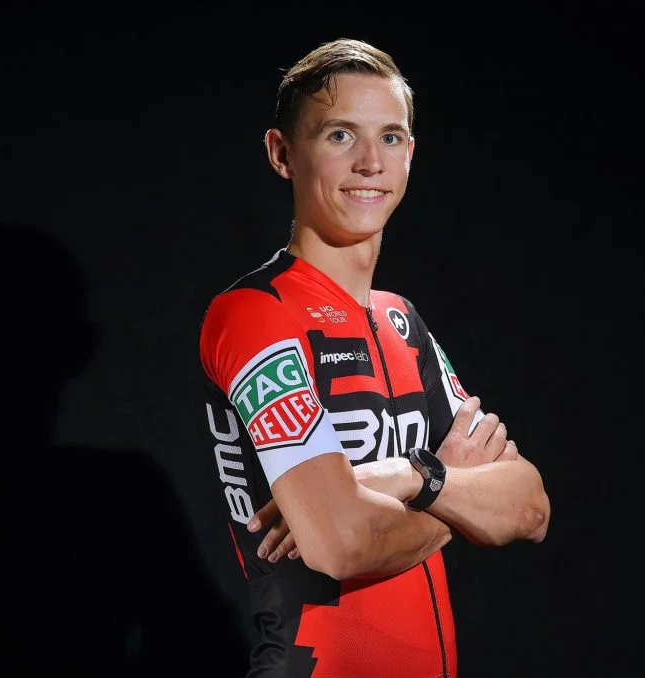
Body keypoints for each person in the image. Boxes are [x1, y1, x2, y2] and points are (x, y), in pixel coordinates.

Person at [195, 37, 550, 677]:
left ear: (410, 154)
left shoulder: (401, 320)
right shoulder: (254, 313)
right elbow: (342, 543)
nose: (369, 163)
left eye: (390, 137)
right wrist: (452, 488)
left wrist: (411, 477)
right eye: (339, 135)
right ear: (282, 154)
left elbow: (529, 507)